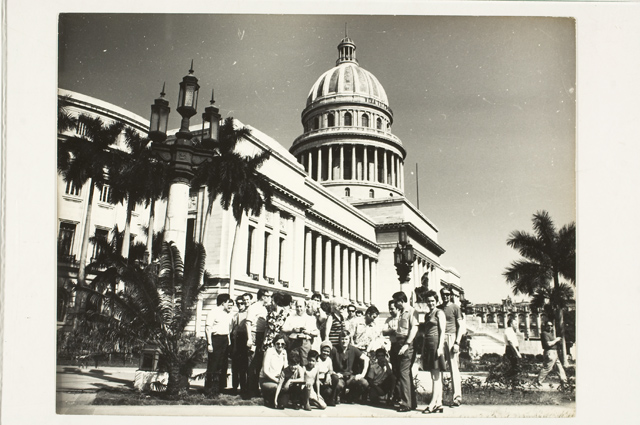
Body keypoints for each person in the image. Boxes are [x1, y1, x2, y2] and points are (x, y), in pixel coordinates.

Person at [390, 291, 419, 412]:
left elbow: (414, 328)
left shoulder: (412, 311)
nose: (396, 306)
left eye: (397, 303)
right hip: (399, 342)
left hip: (407, 344)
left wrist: (407, 344)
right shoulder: (401, 312)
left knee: (403, 373)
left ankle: (406, 403)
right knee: (405, 374)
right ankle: (412, 403)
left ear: (401, 301)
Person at [421, 290, 446, 414]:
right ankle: (439, 403)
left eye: (432, 301)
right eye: (428, 301)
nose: (430, 303)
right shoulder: (427, 315)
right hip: (428, 344)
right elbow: (425, 333)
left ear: (436, 301)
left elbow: (442, 331)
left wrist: (440, 347)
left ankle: (432, 404)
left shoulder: (439, 313)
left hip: (436, 344)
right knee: (435, 375)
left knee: (435, 375)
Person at [204, 293, 234, 394]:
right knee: (213, 364)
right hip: (215, 339)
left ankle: (220, 388)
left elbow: (228, 330)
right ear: (223, 303)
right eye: (228, 302)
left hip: (225, 340)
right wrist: (209, 343)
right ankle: (209, 389)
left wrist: (228, 342)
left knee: (223, 365)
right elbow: (208, 328)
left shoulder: (227, 314)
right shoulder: (213, 312)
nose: (229, 304)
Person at [330, 330, 370, 404]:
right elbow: (328, 362)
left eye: (346, 339)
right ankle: (339, 396)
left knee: (364, 383)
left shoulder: (353, 349)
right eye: (342, 339)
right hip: (339, 376)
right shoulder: (334, 349)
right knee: (338, 385)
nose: (344, 341)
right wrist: (334, 373)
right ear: (339, 339)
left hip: (350, 377)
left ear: (349, 340)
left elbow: (366, 359)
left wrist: (362, 375)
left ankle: (350, 397)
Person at [438, 287, 463, 407]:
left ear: (451, 295)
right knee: (439, 368)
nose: (445, 296)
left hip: (451, 337)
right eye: (443, 294)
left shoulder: (455, 307)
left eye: (447, 294)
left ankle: (457, 397)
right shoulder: (439, 308)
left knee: (454, 368)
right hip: (440, 338)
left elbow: (461, 326)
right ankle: (439, 397)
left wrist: (457, 342)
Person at [246, 289, 273, 397]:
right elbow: (248, 323)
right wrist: (249, 339)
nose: (269, 298)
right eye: (268, 296)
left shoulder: (264, 308)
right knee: (252, 362)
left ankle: (256, 388)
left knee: (259, 363)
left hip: (262, 336)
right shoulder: (254, 307)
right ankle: (250, 389)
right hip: (253, 334)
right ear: (263, 296)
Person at [282, 299, 319, 366]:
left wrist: (309, 332)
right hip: (293, 343)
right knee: (293, 362)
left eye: (301, 306)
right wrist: (292, 330)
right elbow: (283, 329)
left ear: (305, 307)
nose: (299, 309)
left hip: (305, 342)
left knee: (305, 363)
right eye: (297, 306)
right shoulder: (290, 317)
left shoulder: (310, 318)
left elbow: (316, 332)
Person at [259, 334, 288, 408]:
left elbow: (286, 368)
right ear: (274, 343)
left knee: (283, 402)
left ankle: (276, 400)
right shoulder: (269, 351)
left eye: (282, 344)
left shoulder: (284, 352)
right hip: (266, 379)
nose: (280, 346)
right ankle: (268, 398)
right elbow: (265, 371)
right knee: (277, 387)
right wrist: (276, 380)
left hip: (277, 379)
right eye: (278, 343)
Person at [536, 321, 567, 386]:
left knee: (559, 368)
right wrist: (556, 340)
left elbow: (553, 343)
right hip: (550, 352)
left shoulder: (550, 334)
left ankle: (564, 382)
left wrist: (558, 342)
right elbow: (548, 344)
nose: (550, 327)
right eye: (548, 325)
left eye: (551, 326)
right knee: (547, 368)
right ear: (545, 326)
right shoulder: (544, 334)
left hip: (554, 352)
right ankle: (538, 382)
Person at [231, 294, 249, 394]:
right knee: (235, 366)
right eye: (238, 304)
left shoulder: (247, 314)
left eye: (242, 303)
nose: (240, 305)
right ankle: (234, 387)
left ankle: (243, 387)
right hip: (236, 341)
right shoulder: (235, 315)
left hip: (244, 340)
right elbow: (233, 330)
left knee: (243, 367)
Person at [317, 340, 338, 405]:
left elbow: (331, 370)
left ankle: (332, 399)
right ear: (321, 350)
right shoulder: (317, 358)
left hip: (325, 380)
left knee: (335, 377)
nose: (326, 353)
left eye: (327, 352)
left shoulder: (329, 359)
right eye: (324, 351)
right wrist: (317, 379)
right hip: (317, 380)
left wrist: (328, 374)